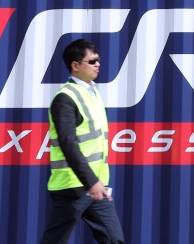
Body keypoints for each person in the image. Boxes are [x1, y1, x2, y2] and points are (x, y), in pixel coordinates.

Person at [39, 39, 125, 244]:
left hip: (96, 185)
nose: (98, 64)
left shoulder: (93, 92)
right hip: (72, 186)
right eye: (92, 61)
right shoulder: (65, 98)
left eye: (98, 60)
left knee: (114, 239)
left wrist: (96, 183)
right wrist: (91, 182)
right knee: (55, 240)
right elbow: (69, 144)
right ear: (75, 66)